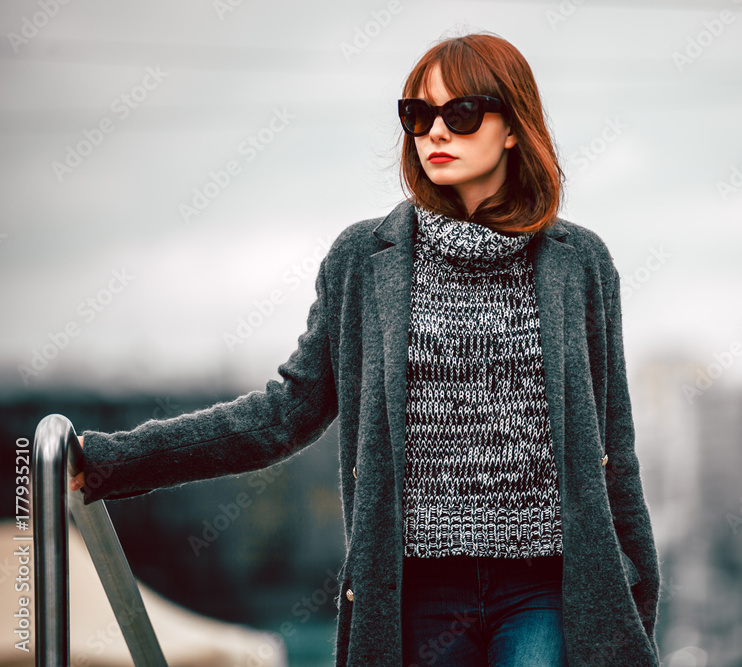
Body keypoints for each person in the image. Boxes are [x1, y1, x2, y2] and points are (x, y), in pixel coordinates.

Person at [71, 31, 661, 667]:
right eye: (418, 114)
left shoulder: (581, 263)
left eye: (459, 115)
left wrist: (634, 594)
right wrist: (112, 461)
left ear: (513, 127)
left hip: (546, 587)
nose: (435, 132)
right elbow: (282, 415)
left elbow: (613, 448)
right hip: (417, 594)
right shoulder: (362, 261)